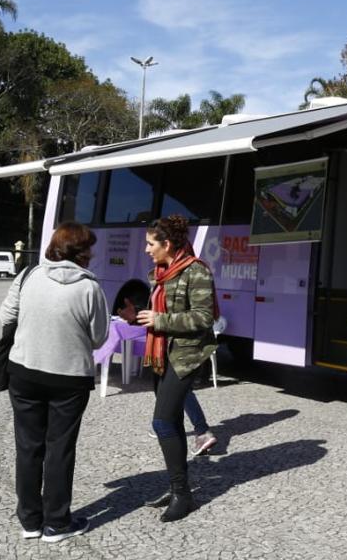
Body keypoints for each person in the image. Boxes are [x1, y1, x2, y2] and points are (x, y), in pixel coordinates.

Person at [0, 222, 108, 543]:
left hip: (24, 372)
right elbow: (100, 337)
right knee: (59, 448)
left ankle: (30, 521)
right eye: (89, 247)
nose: (93, 253)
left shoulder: (28, 276)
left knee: (28, 447)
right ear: (80, 252)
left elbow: (6, 316)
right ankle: (57, 523)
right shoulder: (90, 287)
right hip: (69, 379)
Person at [122, 215, 218, 523]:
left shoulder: (196, 271)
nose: (146, 249)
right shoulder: (160, 273)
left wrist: (160, 321)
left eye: (151, 244)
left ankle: (183, 495)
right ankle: (178, 486)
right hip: (162, 353)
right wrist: (136, 316)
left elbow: (204, 318)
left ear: (168, 244)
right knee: (173, 420)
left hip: (185, 356)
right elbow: (162, 311)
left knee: (161, 422)